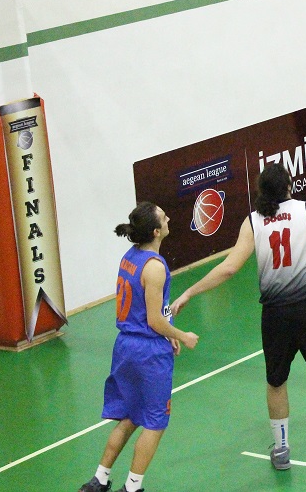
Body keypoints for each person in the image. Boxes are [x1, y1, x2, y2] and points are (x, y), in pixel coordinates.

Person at [170, 163, 306, 475]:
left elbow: (229, 268)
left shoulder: (253, 222)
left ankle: (281, 451)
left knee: (276, 381)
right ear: (289, 186)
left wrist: (189, 292)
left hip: (275, 314)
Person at [79, 203, 200, 492]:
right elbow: (154, 320)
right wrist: (181, 335)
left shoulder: (130, 257)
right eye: (164, 217)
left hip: (125, 347)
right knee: (155, 423)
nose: (169, 218)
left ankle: (99, 479)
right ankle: (132, 487)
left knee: (131, 415)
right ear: (156, 231)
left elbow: (147, 309)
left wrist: (167, 330)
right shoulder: (155, 267)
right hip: (149, 353)